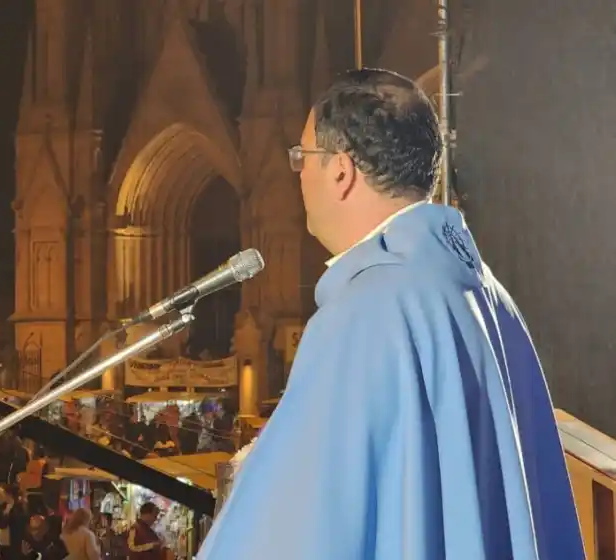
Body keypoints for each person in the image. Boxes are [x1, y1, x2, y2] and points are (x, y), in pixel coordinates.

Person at [197, 68, 585, 560]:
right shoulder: (490, 299)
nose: (298, 174)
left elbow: (288, 533)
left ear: (341, 170)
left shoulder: (365, 314)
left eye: (301, 157)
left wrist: (259, 477)